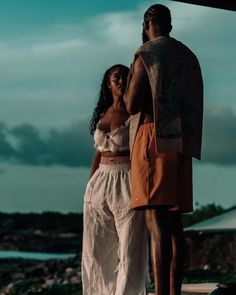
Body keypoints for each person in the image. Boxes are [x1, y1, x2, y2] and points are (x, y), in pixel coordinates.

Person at [124, 4, 203, 295]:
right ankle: (173, 290)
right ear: (169, 25)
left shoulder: (146, 54)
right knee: (174, 224)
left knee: (155, 221)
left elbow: (132, 105)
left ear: (147, 24)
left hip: (152, 137)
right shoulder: (188, 56)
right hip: (182, 143)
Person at [82, 64, 148, 295]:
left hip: (128, 180)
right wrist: (90, 187)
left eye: (125, 76)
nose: (121, 80)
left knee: (130, 248)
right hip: (100, 183)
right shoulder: (103, 113)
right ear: (108, 84)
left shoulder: (137, 112)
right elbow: (98, 153)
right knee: (97, 251)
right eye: (115, 77)